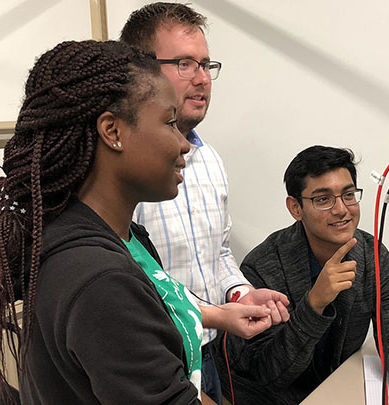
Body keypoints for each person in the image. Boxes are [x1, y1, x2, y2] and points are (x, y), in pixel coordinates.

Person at [0, 40, 279, 404]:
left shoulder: (124, 238)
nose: (184, 144)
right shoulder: (102, 280)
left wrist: (221, 314)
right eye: (169, 122)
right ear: (112, 131)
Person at [119, 5, 289, 402]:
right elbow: (131, 284)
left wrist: (239, 295)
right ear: (140, 71)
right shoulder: (126, 170)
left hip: (207, 352)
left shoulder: (210, 160)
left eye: (206, 65)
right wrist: (214, 315)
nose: (201, 79)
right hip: (151, 356)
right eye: (184, 63)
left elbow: (218, 255)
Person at [216, 146, 389, 404]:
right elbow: (270, 373)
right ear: (296, 208)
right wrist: (315, 303)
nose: (342, 209)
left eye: (349, 194)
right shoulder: (262, 267)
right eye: (323, 199)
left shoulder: (372, 255)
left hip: (331, 388)